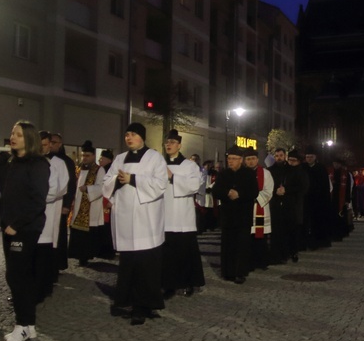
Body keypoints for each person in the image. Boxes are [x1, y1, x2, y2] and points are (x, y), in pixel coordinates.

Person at [103, 123, 169, 325]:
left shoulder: (155, 157)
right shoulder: (120, 158)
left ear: (142, 137)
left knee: (145, 266)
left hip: (145, 220)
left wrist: (133, 179)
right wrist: (116, 179)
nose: (128, 138)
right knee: (128, 264)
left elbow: (160, 184)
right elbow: (107, 180)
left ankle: (143, 306)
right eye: (127, 135)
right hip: (124, 219)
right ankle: (127, 301)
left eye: (133, 134)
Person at [0, 121, 50, 341]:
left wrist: (17, 224)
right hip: (10, 227)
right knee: (19, 275)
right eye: (11, 133)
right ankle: (30, 325)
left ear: (29, 138)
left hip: (24, 229)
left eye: (18, 134)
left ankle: (22, 326)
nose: (13, 137)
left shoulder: (38, 164)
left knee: (16, 276)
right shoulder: (11, 162)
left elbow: (38, 200)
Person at [161, 130, 204, 299]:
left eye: (172, 142)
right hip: (164, 215)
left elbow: (194, 186)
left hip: (182, 216)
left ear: (179, 145)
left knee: (185, 252)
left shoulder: (189, 165)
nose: (169, 145)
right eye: (167, 142)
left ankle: (187, 282)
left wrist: (173, 177)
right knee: (167, 254)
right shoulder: (159, 165)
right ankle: (168, 284)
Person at [212, 145, 258, 284]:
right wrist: (227, 193)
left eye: (233, 159)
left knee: (242, 245)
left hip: (243, 215)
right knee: (228, 245)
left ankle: (240, 272)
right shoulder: (224, 174)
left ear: (240, 160)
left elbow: (254, 191)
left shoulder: (249, 174)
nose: (230, 161)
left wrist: (239, 194)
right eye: (229, 159)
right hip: (228, 216)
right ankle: (228, 271)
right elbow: (216, 191)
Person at [35, 131, 68, 303]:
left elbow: (62, 187)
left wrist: (40, 197)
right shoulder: (31, 161)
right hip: (32, 213)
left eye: (47, 144)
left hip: (50, 209)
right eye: (41, 144)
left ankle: (45, 285)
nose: (44, 147)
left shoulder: (58, 163)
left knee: (46, 250)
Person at [68, 141, 106, 267]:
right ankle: (78, 255)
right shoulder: (78, 168)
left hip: (90, 205)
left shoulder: (99, 170)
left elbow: (102, 187)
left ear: (93, 156)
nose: (84, 158)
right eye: (83, 155)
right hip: (77, 204)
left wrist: (88, 189)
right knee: (78, 233)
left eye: (87, 155)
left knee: (87, 235)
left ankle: (85, 257)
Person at [49, 133, 76, 276]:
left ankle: (58, 263)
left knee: (59, 235)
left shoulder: (66, 162)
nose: (51, 144)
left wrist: (66, 204)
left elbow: (70, 185)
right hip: (48, 205)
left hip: (60, 203)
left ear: (60, 144)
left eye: (54, 142)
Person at [245, 147, 273, 271]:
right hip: (246, 209)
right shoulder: (242, 173)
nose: (251, 161)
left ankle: (261, 261)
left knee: (260, 238)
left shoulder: (265, 173)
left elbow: (268, 190)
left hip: (260, 207)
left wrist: (254, 199)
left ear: (257, 159)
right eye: (248, 159)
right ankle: (249, 262)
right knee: (248, 237)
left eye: (253, 159)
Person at [302, 147, 333, 249]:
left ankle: (319, 241)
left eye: (311, 157)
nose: (309, 159)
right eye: (307, 157)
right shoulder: (303, 168)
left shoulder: (321, 168)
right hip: (306, 199)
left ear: (315, 157)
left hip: (318, 200)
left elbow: (325, 185)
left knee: (318, 221)